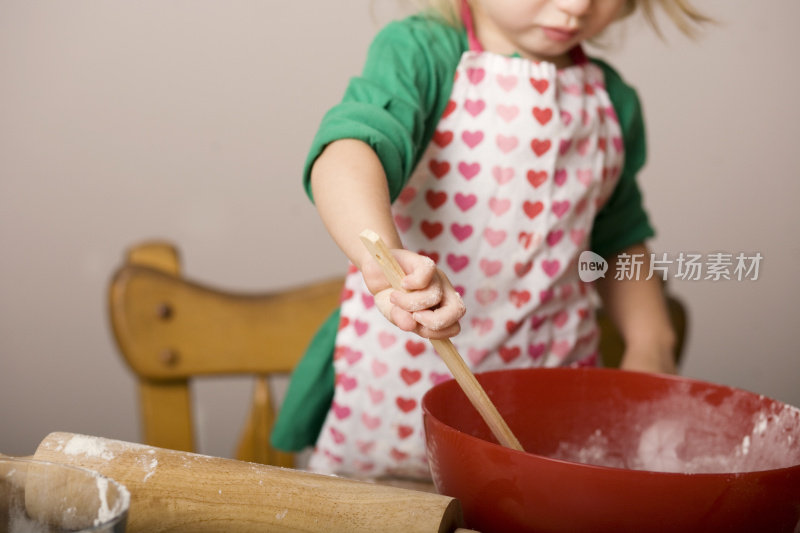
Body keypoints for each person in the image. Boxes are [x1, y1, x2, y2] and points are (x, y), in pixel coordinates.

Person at [272, 0, 710, 479]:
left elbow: (615, 236)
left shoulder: (612, 101)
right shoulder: (424, 52)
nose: (578, 5)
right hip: (394, 413)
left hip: (550, 402)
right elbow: (351, 148)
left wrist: (652, 340)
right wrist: (381, 251)